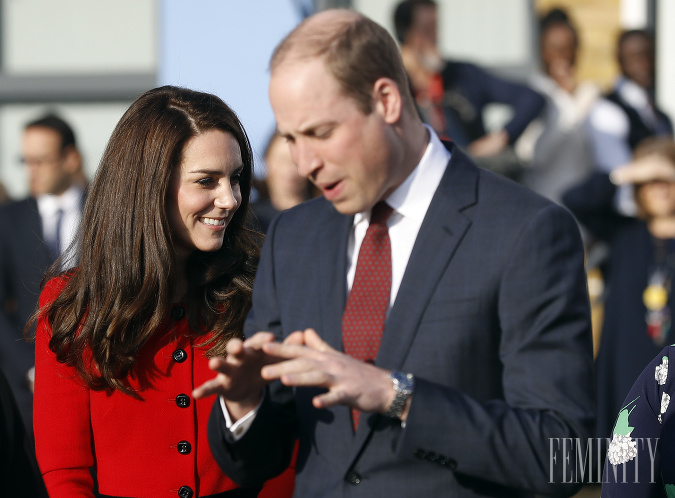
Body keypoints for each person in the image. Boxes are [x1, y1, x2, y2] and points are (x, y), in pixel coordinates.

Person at [194, 10, 595, 498]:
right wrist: (244, 406)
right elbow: (259, 459)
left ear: (385, 100)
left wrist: (396, 395)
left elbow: (565, 454)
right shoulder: (292, 237)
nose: (304, 164)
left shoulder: (526, 231)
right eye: (291, 139)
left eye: (319, 133)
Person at [32, 86, 295, 497]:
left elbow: (285, 450)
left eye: (236, 178)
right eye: (207, 181)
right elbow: (66, 470)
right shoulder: (72, 302)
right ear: (148, 185)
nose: (230, 198)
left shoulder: (260, 286)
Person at [564, 137, 675, 470]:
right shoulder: (623, 234)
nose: (658, 188)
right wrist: (626, 172)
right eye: (648, 181)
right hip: (628, 375)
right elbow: (575, 200)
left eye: (666, 179)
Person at [0, 113, 85, 435]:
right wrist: (29, 367)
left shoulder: (104, 212)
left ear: (70, 158)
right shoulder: (8, 220)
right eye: (26, 160)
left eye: (41, 160)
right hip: (28, 388)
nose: (30, 170)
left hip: (98, 376)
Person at [393, 0, 545, 180]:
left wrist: (502, 136)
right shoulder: (395, 87)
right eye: (426, 29)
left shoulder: (462, 75)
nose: (434, 37)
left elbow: (531, 97)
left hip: (472, 177)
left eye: (436, 28)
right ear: (407, 34)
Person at [518, 7, 600, 207]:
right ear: (543, 52)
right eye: (555, 48)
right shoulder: (532, 95)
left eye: (569, 47)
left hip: (585, 212)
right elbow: (532, 157)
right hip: (547, 204)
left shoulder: (589, 93)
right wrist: (573, 108)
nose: (562, 56)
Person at [587, 29, 673, 215]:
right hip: (630, 216)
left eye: (647, 55)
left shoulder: (660, 115)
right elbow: (617, 177)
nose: (643, 64)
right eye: (634, 57)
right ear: (620, 61)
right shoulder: (607, 110)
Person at [250, 133, 316, 233]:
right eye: (282, 160)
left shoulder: (327, 214)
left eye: (296, 163)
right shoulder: (249, 218)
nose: (289, 170)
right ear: (267, 160)